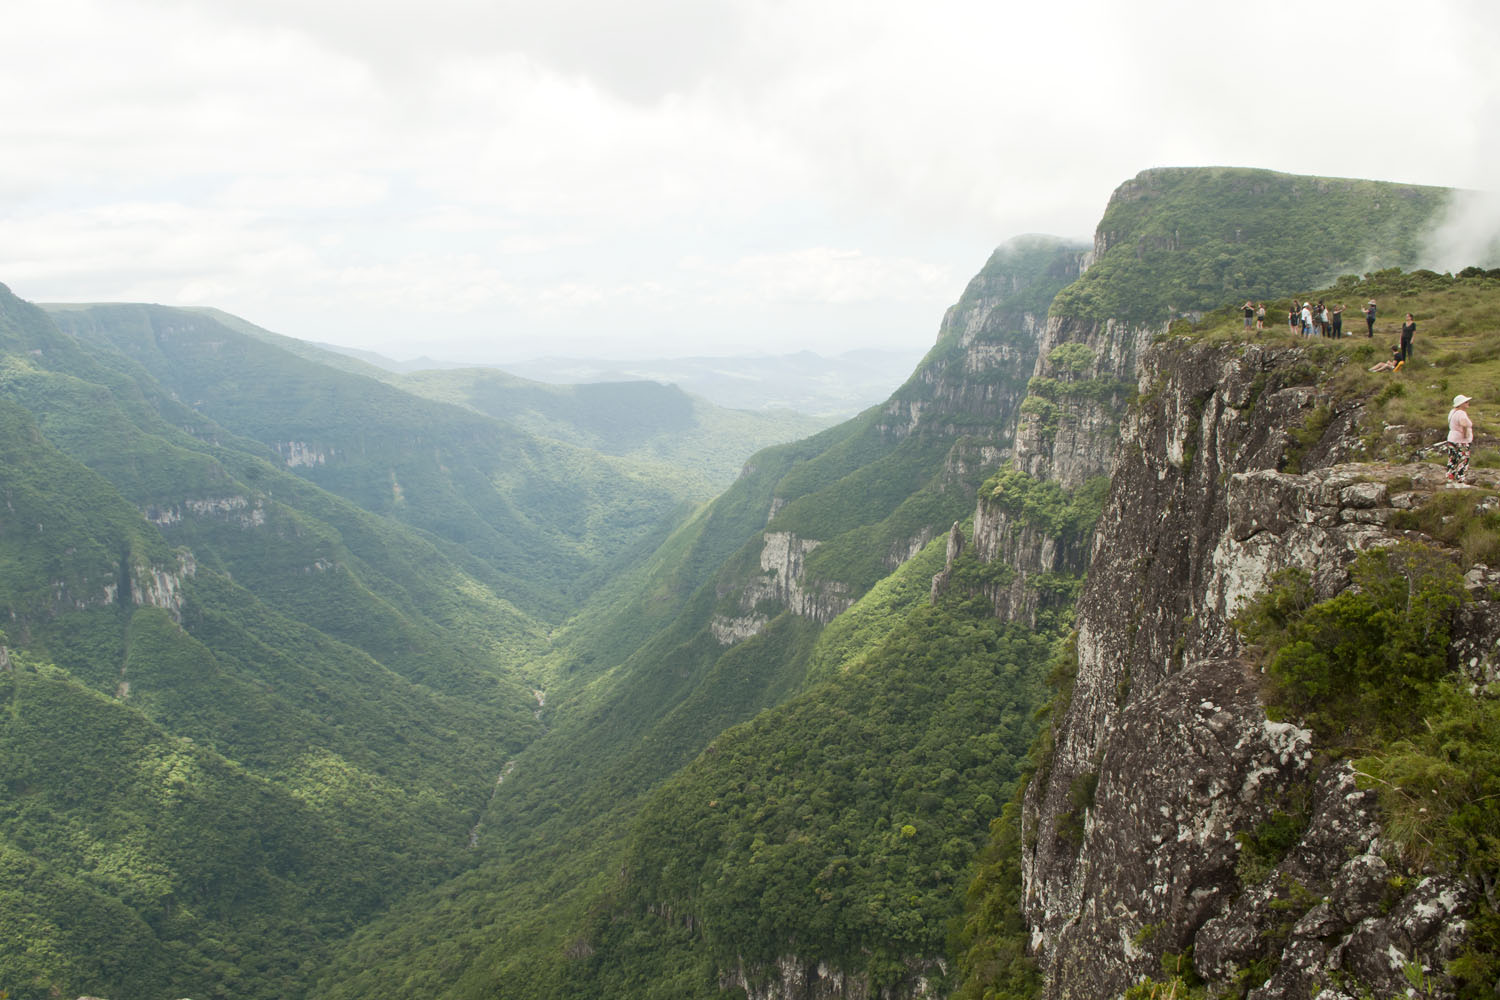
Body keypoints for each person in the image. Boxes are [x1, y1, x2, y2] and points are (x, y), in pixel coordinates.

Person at [1446, 394, 1474, 483]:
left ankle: (1450, 479)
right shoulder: (1461, 413)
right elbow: (1463, 423)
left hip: (1451, 438)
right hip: (1461, 440)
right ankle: (1460, 481)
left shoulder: (1453, 411)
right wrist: (1466, 435)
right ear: (1460, 404)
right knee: (1463, 460)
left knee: (1452, 459)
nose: (1468, 403)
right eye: (1466, 402)